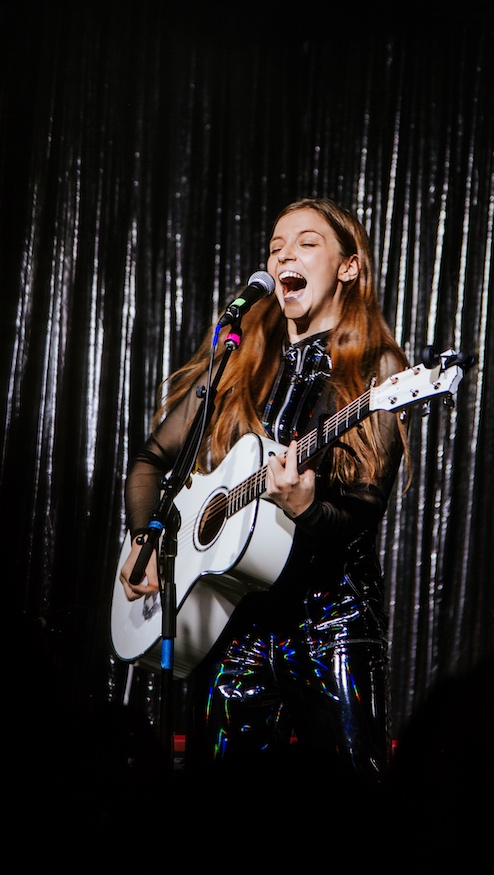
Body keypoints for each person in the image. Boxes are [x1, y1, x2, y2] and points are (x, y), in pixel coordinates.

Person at [119, 197, 411, 798]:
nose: (284, 255)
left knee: (354, 800)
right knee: (219, 803)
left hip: (333, 619)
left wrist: (303, 506)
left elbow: (363, 509)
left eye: (306, 243)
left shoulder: (377, 370)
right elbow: (152, 461)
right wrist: (146, 537)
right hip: (232, 619)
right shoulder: (240, 363)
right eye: (276, 246)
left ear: (348, 267)